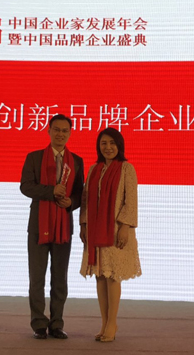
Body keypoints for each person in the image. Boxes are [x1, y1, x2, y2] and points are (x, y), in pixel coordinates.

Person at [20, 114, 84, 340]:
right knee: (36, 277)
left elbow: (79, 194)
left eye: (65, 130)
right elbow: (26, 187)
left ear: (70, 133)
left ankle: (57, 323)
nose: (60, 134)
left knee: (60, 278)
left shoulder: (76, 161)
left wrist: (71, 203)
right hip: (38, 226)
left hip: (63, 226)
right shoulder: (34, 157)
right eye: (56, 129)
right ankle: (39, 324)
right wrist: (51, 191)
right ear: (48, 130)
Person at [79, 127, 141, 342]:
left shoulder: (126, 169)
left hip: (116, 231)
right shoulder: (94, 169)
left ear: (119, 145)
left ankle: (112, 323)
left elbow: (130, 200)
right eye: (104, 143)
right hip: (95, 229)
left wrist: (125, 226)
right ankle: (104, 322)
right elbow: (85, 200)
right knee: (100, 275)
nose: (108, 147)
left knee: (113, 275)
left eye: (112, 143)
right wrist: (83, 224)